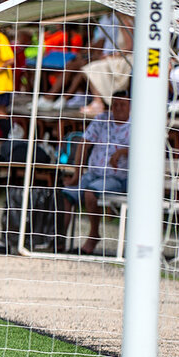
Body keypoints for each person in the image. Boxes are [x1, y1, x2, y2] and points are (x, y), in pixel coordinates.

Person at [60, 89, 131, 255]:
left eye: (123, 104)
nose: (118, 108)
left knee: (90, 193)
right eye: (115, 104)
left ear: (130, 106)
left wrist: (122, 152)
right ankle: (58, 239)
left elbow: (145, 149)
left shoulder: (137, 125)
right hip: (93, 173)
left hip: (117, 177)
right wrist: (77, 174)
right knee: (65, 194)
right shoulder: (102, 119)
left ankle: (93, 235)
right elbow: (83, 144)